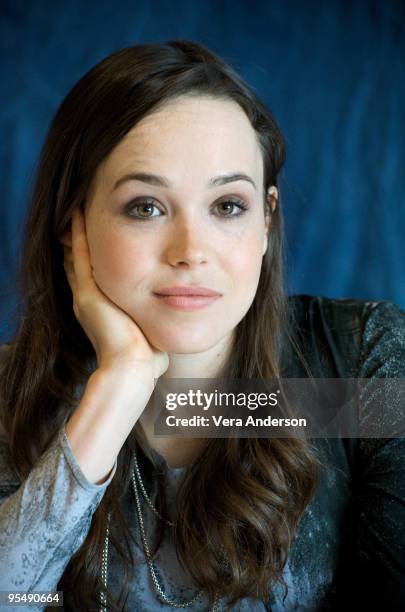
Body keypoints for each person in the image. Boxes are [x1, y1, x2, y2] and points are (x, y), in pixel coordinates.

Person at [0, 39, 404, 612]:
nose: (191, 251)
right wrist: (116, 391)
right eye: (146, 206)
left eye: (227, 206)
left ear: (266, 220)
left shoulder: (366, 362)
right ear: (75, 225)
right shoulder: (9, 393)